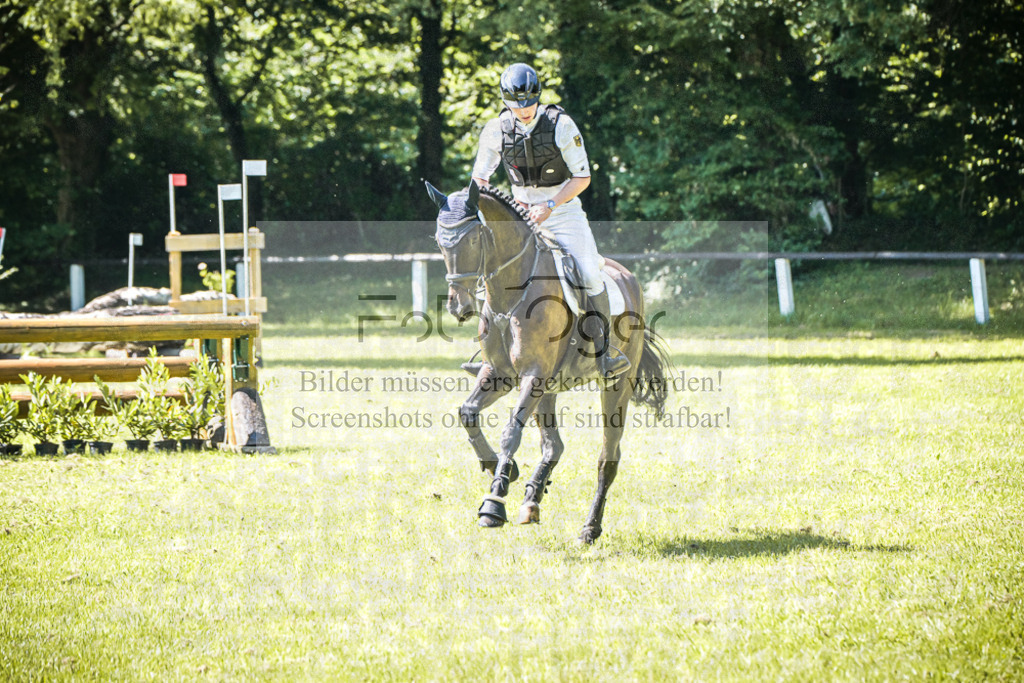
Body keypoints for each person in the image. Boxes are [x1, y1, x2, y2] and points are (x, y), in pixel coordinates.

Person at [471, 63, 630, 380]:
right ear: (506, 101)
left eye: (529, 102)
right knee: (485, 281)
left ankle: (604, 352)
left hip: (563, 213)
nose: (524, 109)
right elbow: (479, 180)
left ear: (537, 97)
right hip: (518, 217)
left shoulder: (561, 125)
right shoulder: (496, 130)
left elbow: (582, 177)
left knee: (588, 272)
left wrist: (550, 204)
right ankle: (489, 354)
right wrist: (502, 206)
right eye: (517, 103)